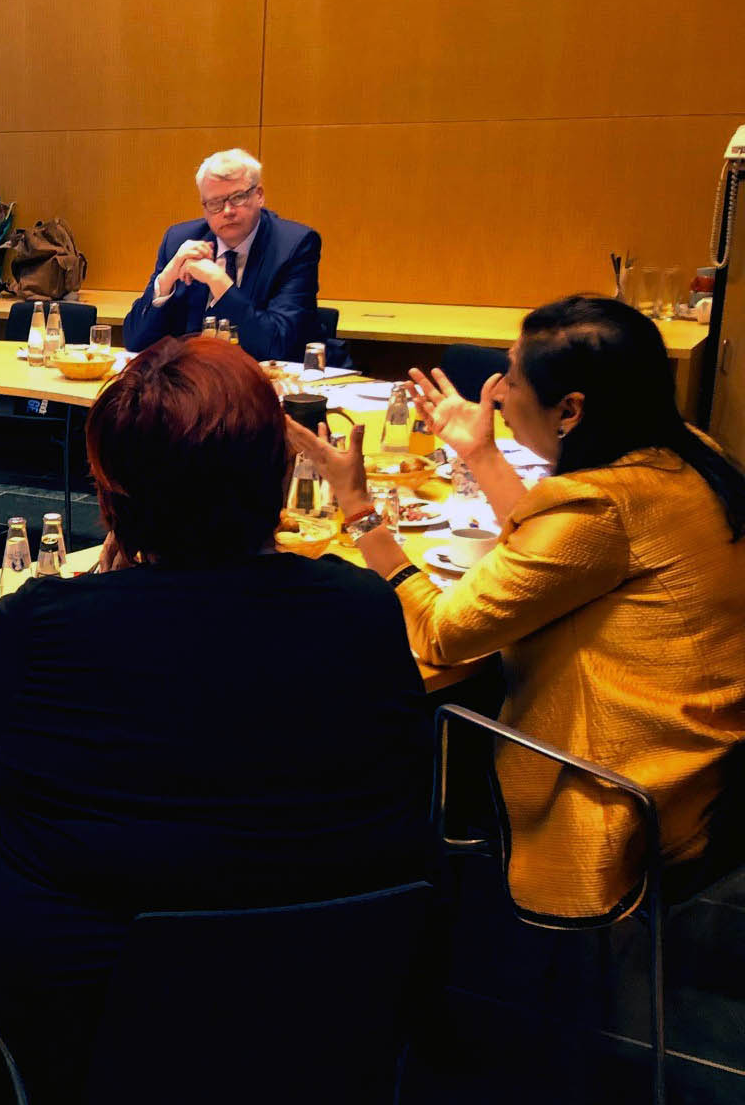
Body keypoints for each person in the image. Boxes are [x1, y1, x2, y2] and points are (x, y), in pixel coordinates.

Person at [0, 336, 430, 1105]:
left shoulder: (49, 625)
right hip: (321, 1045)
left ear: (111, 495)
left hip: (69, 1072)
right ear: (278, 478)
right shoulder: (362, 613)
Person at [293, 296, 745, 922]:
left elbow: (442, 634)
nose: (498, 393)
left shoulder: (601, 507)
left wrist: (361, 513)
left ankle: (393, 933)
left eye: (512, 376)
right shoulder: (685, 453)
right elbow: (555, 552)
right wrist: (479, 454)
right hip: (708, 770)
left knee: (378, 727)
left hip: (624, 790)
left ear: (571, 410)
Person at [121, 149, 321, 362]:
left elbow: (279, 346)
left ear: (259, 195)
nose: (227, 211)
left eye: (238, 198)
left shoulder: (293, 246)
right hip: (196, 383)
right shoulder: (179, 240)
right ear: (204, 206)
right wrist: (167, 279)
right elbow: (136, 343)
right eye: (215, 203)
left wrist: (219, 282)